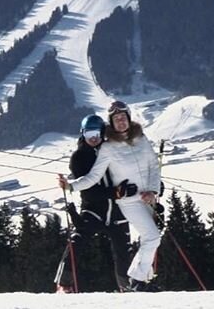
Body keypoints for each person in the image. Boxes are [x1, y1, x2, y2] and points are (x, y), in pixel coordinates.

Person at [59, 101, 162, 291]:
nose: (120, 122)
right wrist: (71, 186)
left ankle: (134, 283)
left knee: (141, 243)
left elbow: (153, 166)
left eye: (123, 117)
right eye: (116, 119)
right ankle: (65, 283)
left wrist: (154, 190)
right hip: (113, 205)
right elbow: (92, 178)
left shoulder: (141, 138)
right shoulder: (103, 149)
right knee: (151, 237)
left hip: (137, 201)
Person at [56, 114, 133, 293]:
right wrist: (115, 193)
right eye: (89, 133)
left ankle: (127, 287)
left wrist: (150, 186)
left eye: (97, 133)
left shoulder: (113, 150)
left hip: (116, 210)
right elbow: (89, 189)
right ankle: (64, 283)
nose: (93, 137)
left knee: (123, 251)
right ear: (83, 133)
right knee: (78, 242)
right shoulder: (79, 157)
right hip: (93, 209)